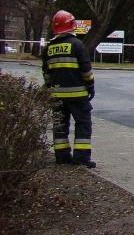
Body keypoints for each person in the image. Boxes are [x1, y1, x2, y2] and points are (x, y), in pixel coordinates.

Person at [42, 10, 96, 168]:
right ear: (72, 26)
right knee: (83, 124)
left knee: (60, 125)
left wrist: (49, 87)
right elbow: (86, 70)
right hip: (78, 95)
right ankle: (81, 157)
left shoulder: (49, 47)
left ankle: (61, 155)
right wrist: (90, 85)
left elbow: (46, 73)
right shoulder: (77, 45)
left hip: (57, 95)